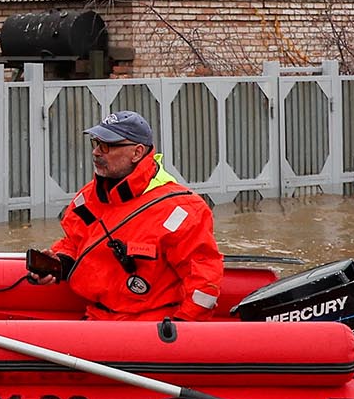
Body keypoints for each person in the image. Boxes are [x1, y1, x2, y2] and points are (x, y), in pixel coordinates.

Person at [26, 111, 224, 322]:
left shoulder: (182, 210)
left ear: (137, 152)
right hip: (96, 319)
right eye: (96, 143)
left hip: (151, 328)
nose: (95, 152)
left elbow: (204, 277)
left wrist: (183, 327)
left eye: (106, 146)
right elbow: (75, 243)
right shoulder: (88, 198)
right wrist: (60, 263)